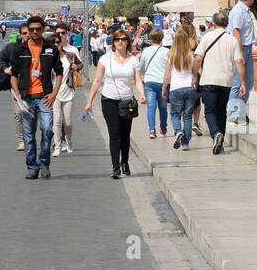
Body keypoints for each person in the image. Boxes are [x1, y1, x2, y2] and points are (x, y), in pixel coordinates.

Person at [4, 16, 63, 180]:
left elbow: (59, 72)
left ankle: (44, 163)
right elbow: (13, 74)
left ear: (43, 29)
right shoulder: (19, 50)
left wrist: (54, 94)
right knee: (28, 135)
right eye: (31, 29)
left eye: (38, 29)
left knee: (46, 130)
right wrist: (17, 95)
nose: (35, 32)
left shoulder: (51, 48)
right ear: (27, 31)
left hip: (45, 97)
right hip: (26, 97)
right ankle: (32, 167)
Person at [84, 28, 146, 179]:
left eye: (123, 39)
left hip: (127, 101)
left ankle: (125, 162)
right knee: (114, 134)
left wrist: (142, 94)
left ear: (127, 42)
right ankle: (115, 167)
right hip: (109, 100)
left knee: (125, 135)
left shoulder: (133, 60)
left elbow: (137, 80)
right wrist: (89, 101)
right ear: (113, 42)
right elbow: (97, 80)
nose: (120, 41)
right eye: (117, 39)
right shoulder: (105, 59)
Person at [195, 11, 239, 153]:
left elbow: (197, 58)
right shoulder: (232, 39)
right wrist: (243, 81)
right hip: (226, 80)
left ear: (213, 23)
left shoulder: (207, 36)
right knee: (221, 111)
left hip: (209, 79)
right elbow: (239, 61)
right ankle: (219, 140)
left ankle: (216, 133)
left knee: (210, 111)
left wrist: (194, 75)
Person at [166, 22, 201, 150]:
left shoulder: (170, 55)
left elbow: (167, 75)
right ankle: (185, 143)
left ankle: (178, 131)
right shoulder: (191, 56)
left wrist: (165, 88)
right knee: (187, 116)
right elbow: (195, 72)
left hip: (175, 88)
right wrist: (195, 80)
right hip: (190, 88)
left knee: (175, 114)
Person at [226, 0, 257, 124]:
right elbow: (236, 32)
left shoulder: (244, 10)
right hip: (241, 49)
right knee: (237, 82)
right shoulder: (239, 11)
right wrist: (239, 52)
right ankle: (233, 114)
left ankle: (240, 111)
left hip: (247, 47)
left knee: (248, 81)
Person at [50, 25, 82, 156]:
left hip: (68, 91)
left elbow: (80, 64)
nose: (57, 42)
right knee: (57, 121)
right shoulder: (49, 56)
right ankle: (57, 145)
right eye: (55, 41)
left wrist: (76, 66)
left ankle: (68, 140)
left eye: (62, 35)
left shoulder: (71, 53)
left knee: (67, 122)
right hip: (54, 93)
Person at [138, 29, 169, 139]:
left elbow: (140, 67)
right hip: (162, 82)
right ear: (162, 38)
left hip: (149, 81)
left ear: (151, 38)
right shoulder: (166, 51)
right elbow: (169, 68)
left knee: (151, 107)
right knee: (163, 107)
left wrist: (144, 74)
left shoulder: (146, 51)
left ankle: (152, 130)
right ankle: (163, 128)